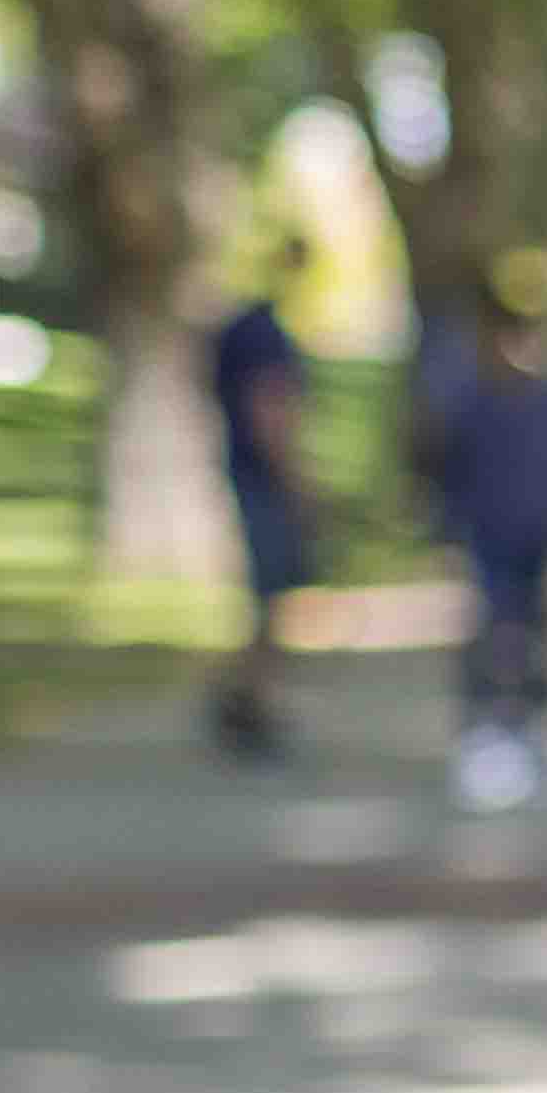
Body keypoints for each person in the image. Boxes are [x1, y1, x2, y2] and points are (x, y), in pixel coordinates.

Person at [433, 256, 547, 812]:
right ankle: (483, 733)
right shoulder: (473, 403)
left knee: (536, 637)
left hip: (539, 538)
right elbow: (447, 470)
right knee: (489, 635)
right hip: (487, 537)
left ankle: (534, 732)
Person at [206, 239, 313, 761]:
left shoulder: (241, 330)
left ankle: (247, 700)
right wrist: (295, 481)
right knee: (270, 601)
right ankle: (248, 704)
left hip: (244, 473)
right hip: (263, 481)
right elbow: (269, 413)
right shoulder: (266, 336)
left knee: (268, 601)